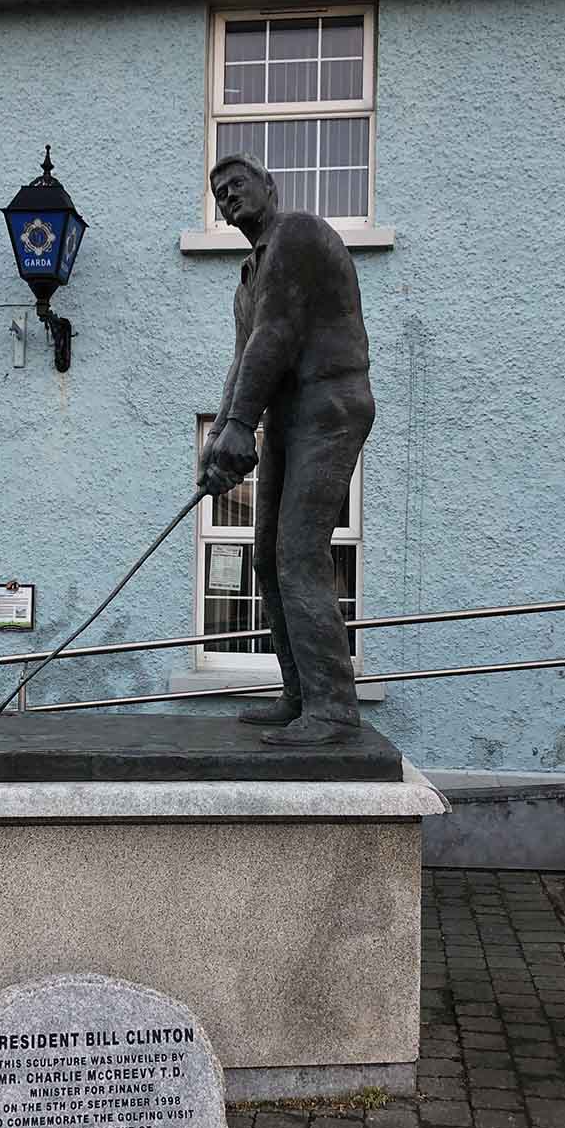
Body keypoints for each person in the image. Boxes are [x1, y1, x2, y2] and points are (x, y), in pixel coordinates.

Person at [199, 153, 375, 747]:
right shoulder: (249, 276)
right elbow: (245, 356)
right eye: (220, 193)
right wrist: (222, 432)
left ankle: (333, 708)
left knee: (299, 551)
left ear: (270, 187)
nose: (229, 197)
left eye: (238, 185)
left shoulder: (297, 233)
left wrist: (241, 424)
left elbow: (277, 333)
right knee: (267, 556)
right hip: (287, 414)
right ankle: (300, 694)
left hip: (330, 405)